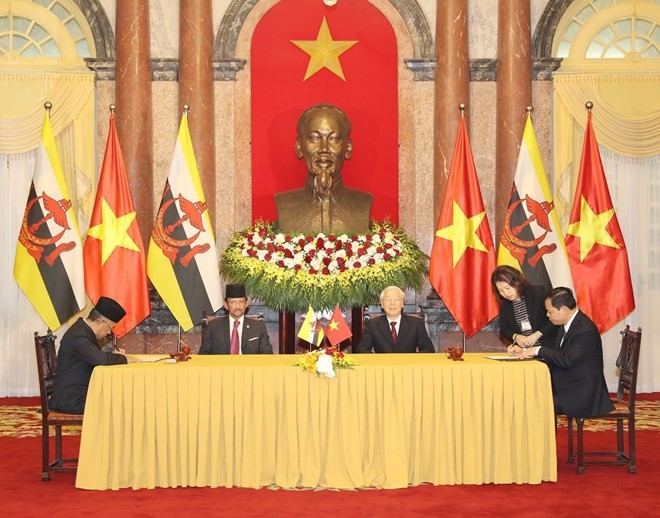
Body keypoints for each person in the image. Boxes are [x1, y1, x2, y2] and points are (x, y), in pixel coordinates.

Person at [513, 287, 615, 418]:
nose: (547, 315)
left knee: (535, 405)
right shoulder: (566, 324)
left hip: (581, 393)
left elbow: (566, 360)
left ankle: (544, 439)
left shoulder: (585, 329)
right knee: (527, 396)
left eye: (550, 312)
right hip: (567, 384)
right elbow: (555, 353)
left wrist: (538, 350)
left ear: (564, 310)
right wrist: (525, 351)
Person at [274, 104, 373, 235]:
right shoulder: (285, 203)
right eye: (314, 138)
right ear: (299, 147)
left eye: (334, 139)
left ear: (348, 148)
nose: (324, 149)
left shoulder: (362, 203)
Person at [50, 296, 138, 414]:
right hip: (72, 399)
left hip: (79, 393)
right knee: (120, 404)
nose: (108, 333)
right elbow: (101, 359)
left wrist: (113, 355)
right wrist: (126, 358)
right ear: (100, 322)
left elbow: (94, 355)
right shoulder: (79, 335)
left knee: (120, 399)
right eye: (110, 328)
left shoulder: (83, 330)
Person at [491, 265, 557, 347]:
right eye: (501, 290)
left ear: (517, 281)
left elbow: (556, 318)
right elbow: (504, 329)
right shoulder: (505, 304)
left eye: (507, 288)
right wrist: (516, 337)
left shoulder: (537, 293)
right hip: (525, 352)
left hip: (548, 348)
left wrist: (537, 334)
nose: (506, 293)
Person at [355, 286, 434, 353]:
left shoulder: (416, 323)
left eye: (396, 299)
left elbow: (428, 350)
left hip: (408, 368)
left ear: (402, 303)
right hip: (382, 369)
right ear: (382, 304)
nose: (392, 303)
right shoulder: (372, 324)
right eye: (388, 300)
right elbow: (362, 351)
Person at [199, 283, 273, 355]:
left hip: (249, 366)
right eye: (233, 302)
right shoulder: (213, 326)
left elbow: (267, 353)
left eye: (241, 301)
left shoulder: (258, 327)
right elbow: (203, 355)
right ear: (226, 305)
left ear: (246, 304)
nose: (237, 306)